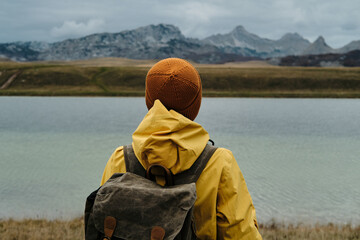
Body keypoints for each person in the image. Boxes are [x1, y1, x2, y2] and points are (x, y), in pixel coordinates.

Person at [101, 58, 262, 240]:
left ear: (149, 101)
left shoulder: (120, 157)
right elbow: (240, 233)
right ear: (195, 105)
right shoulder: (220, 162)